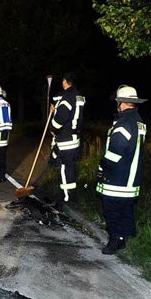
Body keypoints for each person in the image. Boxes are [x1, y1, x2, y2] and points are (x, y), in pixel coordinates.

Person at [96, 85, 147, 254]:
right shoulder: (138, 120)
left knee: (111, 210)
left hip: (119, 177)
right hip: (132, 177)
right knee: (126, 209)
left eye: (118, 102)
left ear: (122, 103)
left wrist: (103, 166)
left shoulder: (124, 123)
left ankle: (115, 241)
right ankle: (125, 237)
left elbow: (116, 150)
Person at [49, 72, 85, 208]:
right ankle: (72, 195)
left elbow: (61, 118)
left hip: (65, 139)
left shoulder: (66, 98)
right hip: (75, 138)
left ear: (65, 81)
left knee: (64, 168)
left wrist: (52, 127)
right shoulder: (79, 96)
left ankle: (65, 198)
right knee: (70, 168)